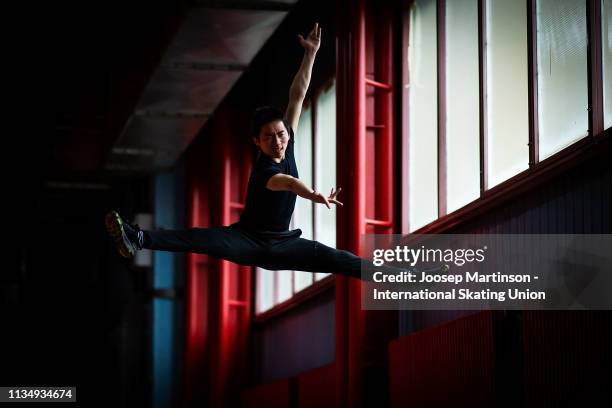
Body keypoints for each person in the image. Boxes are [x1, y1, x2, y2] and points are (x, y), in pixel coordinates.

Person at [106, 23, 409, 280]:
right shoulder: (267, 172)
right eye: (270, 138)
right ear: (257, 142)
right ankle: (138, 237)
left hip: (284, 244)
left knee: (338, 258)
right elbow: (289, 183)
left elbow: (298, 94)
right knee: (201, 239)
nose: (278, 141)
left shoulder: (286, 138)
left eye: (280, 134)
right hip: (247, 241)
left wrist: (311, 54)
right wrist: (314, 194)